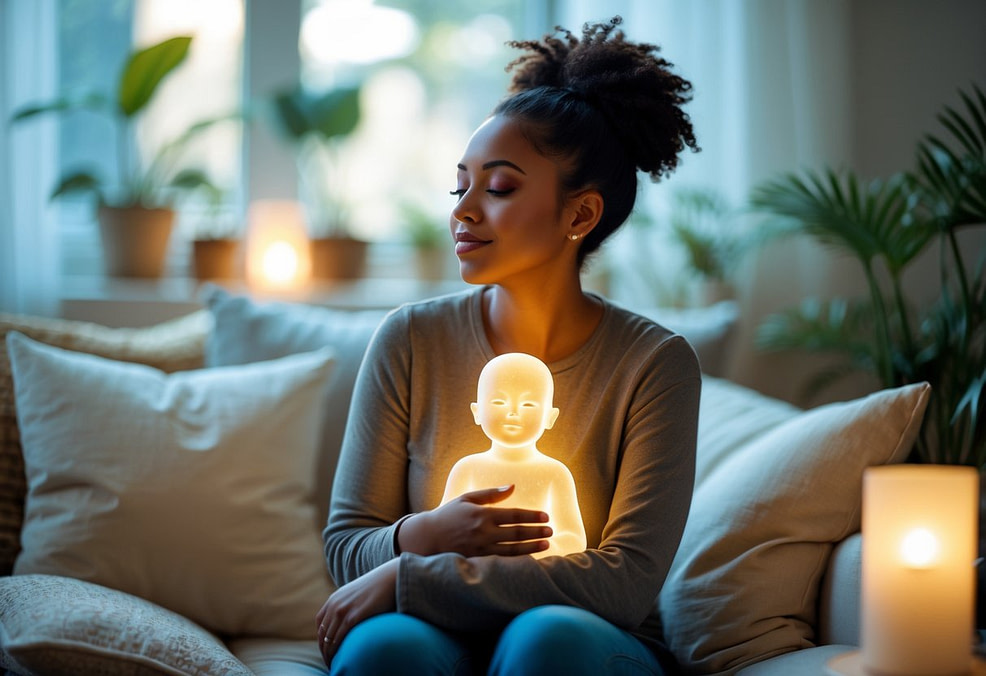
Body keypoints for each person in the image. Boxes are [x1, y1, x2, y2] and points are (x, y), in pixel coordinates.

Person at [318, 16, 701, 676]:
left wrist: (411, 578)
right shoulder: (410, 340)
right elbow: (346, 544)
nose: (463, 210)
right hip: (435, 636)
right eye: (459, 184)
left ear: (580, 215)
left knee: (545, 641)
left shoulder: (654, 366)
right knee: (384, 650)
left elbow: (623, 582)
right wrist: (421, 535)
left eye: (497, 188)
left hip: (584, 641)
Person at [440, 352, 587, 559]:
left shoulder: (555, 473)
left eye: (528, 405)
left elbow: (573, 538)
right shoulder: (467, 469)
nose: (513, 412)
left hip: (534, 578)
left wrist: (533, 548)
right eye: (499, 402)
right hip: (474, 573)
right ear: (477, 412)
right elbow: (442, 527)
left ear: (550, 417)